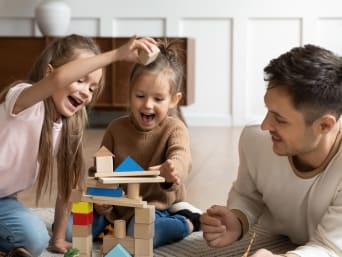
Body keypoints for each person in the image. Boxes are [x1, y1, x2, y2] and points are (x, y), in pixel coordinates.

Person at [0, 34, 158, 257]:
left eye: (93, 88)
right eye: (80, 80)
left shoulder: (65, 128)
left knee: (36, 241)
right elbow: (59, 80)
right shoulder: (22, 100)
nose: (86, 92)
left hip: (3, 201)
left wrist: (57, 238)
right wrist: (117, 55)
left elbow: (69, 186)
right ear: (50, 72)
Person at [200, 44, 342, 257]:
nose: (265, 125)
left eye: (280, 119)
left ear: (324, 125)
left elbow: (332, 247)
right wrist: (238, 219)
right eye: (268, 110)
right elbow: (248, 194)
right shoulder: (255, 139)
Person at [65, 39, 201, 248]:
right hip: (115, 207)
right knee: (68, 229)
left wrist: (173, 169)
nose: (147, 104)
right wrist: (100, 195)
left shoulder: (174, 128)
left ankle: (186, 222)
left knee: (140, 236)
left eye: (158, 98)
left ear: (174, 100)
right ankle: (109, 229)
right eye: (140, 96)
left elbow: (181, 156)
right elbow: (98, 170)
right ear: (130, 93)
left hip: (154, 208)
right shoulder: (116, 128)